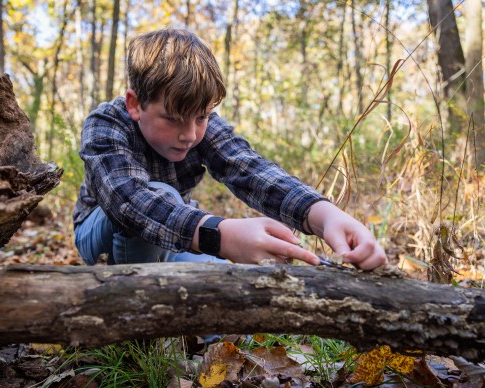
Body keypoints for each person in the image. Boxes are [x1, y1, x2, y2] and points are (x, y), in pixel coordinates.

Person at [73, 28, 387, 270]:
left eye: (201, 117)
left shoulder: (202, 127)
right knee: (160, 195)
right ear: (135, 104)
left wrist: (323, 215)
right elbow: (128, 201)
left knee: (227, 286)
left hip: (175, 237)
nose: (190, 134)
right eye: (172, 119)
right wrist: (217, 234)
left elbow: (249, 169)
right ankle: (138, 332)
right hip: (101, 238)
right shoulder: (105, 124)